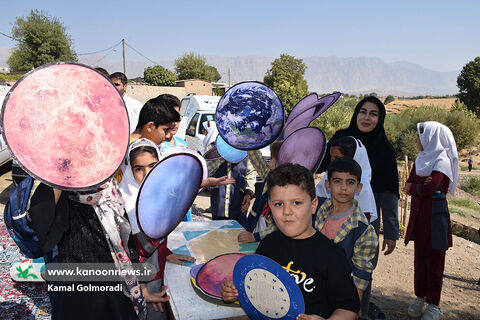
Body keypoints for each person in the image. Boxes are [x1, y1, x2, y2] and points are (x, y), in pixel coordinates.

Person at [221, 163, 360, 319]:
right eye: (279, 204)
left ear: (313, 205)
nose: (287, 212)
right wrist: (236, 292)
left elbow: (348, 309)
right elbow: (258, 290)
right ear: (270, 207)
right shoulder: (268, 245)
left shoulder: (332, 255)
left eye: (297, 203)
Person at [321, 96, 399, 318]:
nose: (366, 118)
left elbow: (389, 192)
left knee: (362, 270)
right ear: (355, 114)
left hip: (368, 216)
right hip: (333, 209)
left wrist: (391, 233)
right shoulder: (340, 139)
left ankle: (359, 313)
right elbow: (322, 168)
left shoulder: (385, 150)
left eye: (373, 114)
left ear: (380, 118)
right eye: (362, 112)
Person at [29, 179, 146, 320]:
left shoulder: (109, 187)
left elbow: (126, 239)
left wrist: (140, 283)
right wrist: (61, 180)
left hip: (116, 280)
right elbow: (39, 220)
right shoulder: (60, 187)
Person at [119, 138, 195, 319]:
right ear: (129, 171)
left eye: (153, 166)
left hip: (156, 272)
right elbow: (128, 252)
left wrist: (165, 252)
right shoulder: (125, 203)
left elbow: (155, 238)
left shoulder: (161, 193)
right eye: (139, 169)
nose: (147, 173)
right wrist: (142, 289)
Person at [405, 121, 458, 320]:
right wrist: (420, 186)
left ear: (430, 138)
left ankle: (434, 304)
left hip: (435, 218)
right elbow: (409, 185)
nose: (417, 140)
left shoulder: (442, 161)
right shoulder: (421, 159)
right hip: (420, 217)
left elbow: (431, 187)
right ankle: (420, 296)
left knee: (435, 261)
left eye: (420, 136)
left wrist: (417, 187)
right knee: (420, 259)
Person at [317, 158, 378, 315]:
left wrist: (354, 305)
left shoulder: (364, 230)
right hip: (312, 286)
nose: (343, 188)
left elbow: (361, 272)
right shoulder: (317, 210)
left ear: (359, 188)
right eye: (337, 181)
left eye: (350, 182)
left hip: (339, 296)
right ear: (328, 185)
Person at [316, 136, 377, 223]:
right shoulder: (329, 176)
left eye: (337, 158)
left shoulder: (362, 183)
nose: (333, 162)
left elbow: (364, 216)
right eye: (332, 158)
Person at [239, 141, 283, 243]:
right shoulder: (270, 176)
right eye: (271, 158)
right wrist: (248, 139)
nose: (270, 164)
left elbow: (280, 226)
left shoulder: (288, 193)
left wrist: (255, 237)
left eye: (275, 160)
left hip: (272, 244)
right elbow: (256, 158)